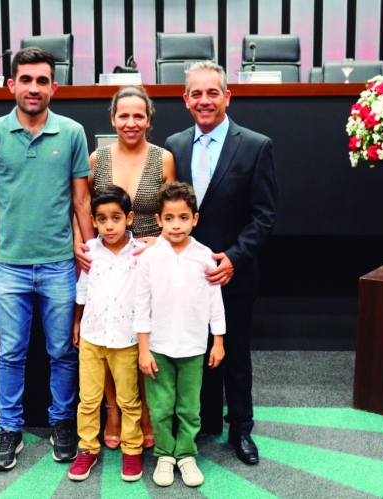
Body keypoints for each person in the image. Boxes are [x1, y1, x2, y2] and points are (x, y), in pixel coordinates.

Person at [0, 46, 96, 471]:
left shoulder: (72, 132)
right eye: (26, 80)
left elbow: (81, 201)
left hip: (59, 266)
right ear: (11, 85)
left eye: (42, 81)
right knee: (10, 353)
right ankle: (10, 429)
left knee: (63, 352)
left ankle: (62, 423)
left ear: (54, 87)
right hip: (10, 267)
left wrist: (93, 255)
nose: (33, 88)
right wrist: (2, 205)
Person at [164, 61, 278, 466]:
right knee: (194, 352)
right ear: (185, 100)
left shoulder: (255, 145)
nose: (205, 100)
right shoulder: (174, 145)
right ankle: (204, 421)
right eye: (196, 93)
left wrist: (234, 257)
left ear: (227, 96)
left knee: (235, 356)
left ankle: (241, 429)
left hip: (234, 275)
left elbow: (264, 215)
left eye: (212, 92)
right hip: (186, 277)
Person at [76, 86, 175, 450]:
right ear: (112, 119)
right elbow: (82, 205)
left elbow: (173, 210)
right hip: (106, 260)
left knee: (141, 340)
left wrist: (159, 243)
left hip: (150, 263)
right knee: (107, 337)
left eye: (138, 116)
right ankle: (113, 412)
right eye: (124, 115)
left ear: (149, 119)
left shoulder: (163, 158)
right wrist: (81, 245)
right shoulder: (97, 159)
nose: (131, 122)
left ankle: (144, 412)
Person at [135, 182, 225, 488]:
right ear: (158, 219)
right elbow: (141, 304)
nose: (176, 225)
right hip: (157, 348)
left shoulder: (204, 256)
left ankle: (186, 454)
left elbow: (215, 302)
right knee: (161, 407)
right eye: (169, 218)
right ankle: (164, 454)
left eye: (183, 217)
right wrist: (143, 348)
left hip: (193, 347)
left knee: (189, 407)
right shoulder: (149, 257)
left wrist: (218, 341)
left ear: (195, 219)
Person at [68, 185, 144, 482]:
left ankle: (132, 449)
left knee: (129, 400)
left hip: (126, 340)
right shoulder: (90, 251)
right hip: (92, 337)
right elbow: (83, 290)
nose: (109, 225)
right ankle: (87, 448)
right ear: (94, 221)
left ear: (129, 218)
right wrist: (76, 323)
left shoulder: (141, 253)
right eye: (102, 219)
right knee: (88, 400)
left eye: (116, 218)